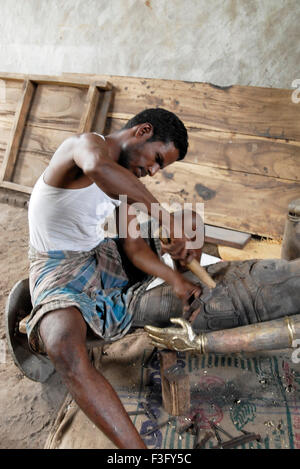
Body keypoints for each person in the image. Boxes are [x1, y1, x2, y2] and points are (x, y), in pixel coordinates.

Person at [26, 108, 202, 449]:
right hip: (58, 265)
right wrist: (164, 218)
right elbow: (96, 167)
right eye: (157, 160)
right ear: (142, 131)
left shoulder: (120, 183)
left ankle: (190, 305)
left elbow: (134, 249)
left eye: (159, 168)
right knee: (61, 344)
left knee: (192, 221)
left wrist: (174, 277)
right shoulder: (84, 146)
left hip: (100, 255)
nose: (152, 172)